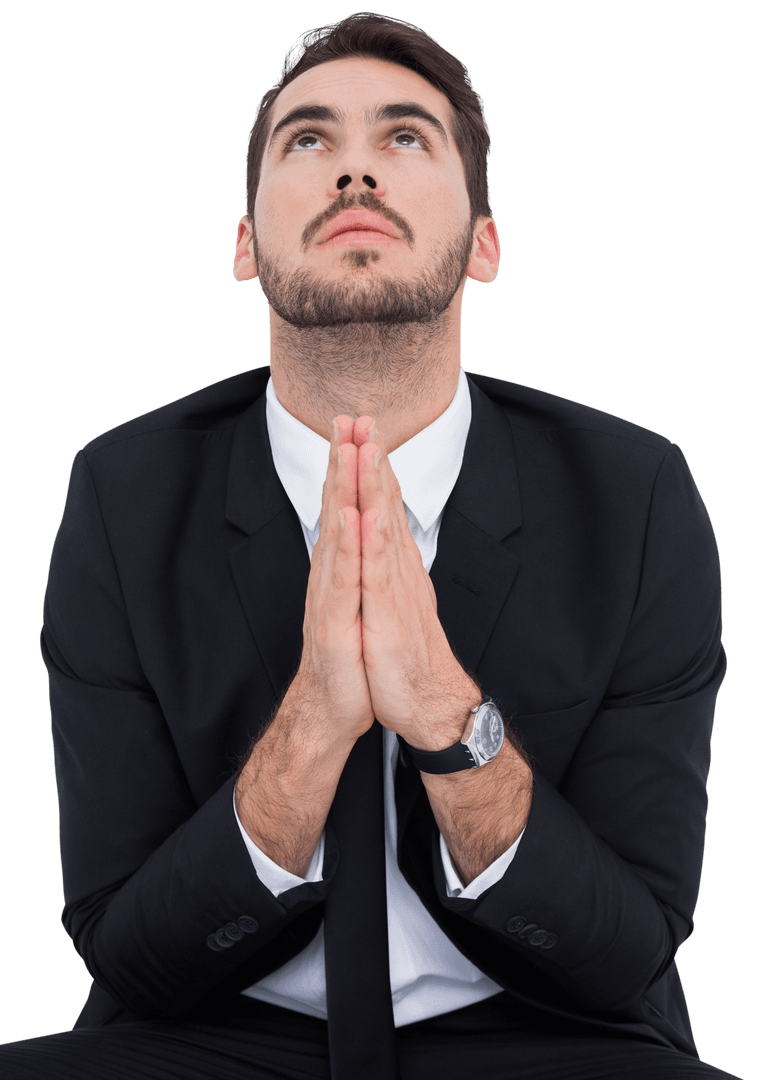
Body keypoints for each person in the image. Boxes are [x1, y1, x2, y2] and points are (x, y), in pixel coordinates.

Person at [1, 11, 740, 1080]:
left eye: (403, 138)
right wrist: (310, 728)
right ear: (245, 245)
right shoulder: (122, 493)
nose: (354, 170)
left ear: (482, 244)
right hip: (208, 1035)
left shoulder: (635, 497)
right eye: (307, 140)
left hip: (543, 1036)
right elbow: (131, 953)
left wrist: (443, 712)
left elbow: (624, 951)